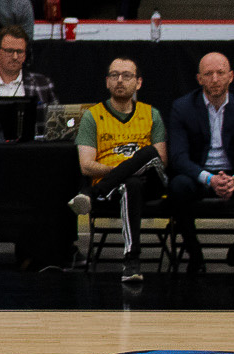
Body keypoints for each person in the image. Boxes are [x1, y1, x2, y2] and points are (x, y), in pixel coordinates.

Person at [164, 52, 234, 273]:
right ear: (199, 79)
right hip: (200, 176)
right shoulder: (183, 107)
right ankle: (195, 255)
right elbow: (178, 157)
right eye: (208, 74)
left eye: (220, 73)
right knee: (177, 187)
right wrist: (209, 179)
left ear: (231, 76)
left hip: (233, 175)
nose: (215, 79)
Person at [70, 56, 169, 284]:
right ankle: (132, 261)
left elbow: (160, 160)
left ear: (139, 82)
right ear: (107, 82)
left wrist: (129, 168)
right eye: (114, 75)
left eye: (127, 75)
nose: (120, 80)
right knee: (130, 183)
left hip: (151, 183)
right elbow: (85, 165)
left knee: (147, 154)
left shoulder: (151, 114)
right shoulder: (92, 116)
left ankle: (89, 196)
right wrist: (124, 172)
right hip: (115, 190)